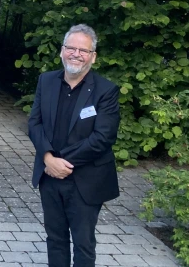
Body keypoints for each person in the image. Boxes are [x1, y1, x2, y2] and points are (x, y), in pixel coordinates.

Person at [28, 24, 120, 267]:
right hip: (50, 177)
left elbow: (103, 137)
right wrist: (48, 159)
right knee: (55, 238)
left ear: (93, 56)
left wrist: (61, 162)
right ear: (62, 51)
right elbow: (34, 123)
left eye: (83, 50)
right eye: (71, 48)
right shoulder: (45, 81)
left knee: (83, 243)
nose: (76, 54)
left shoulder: (106, 91)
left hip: (85, 180)